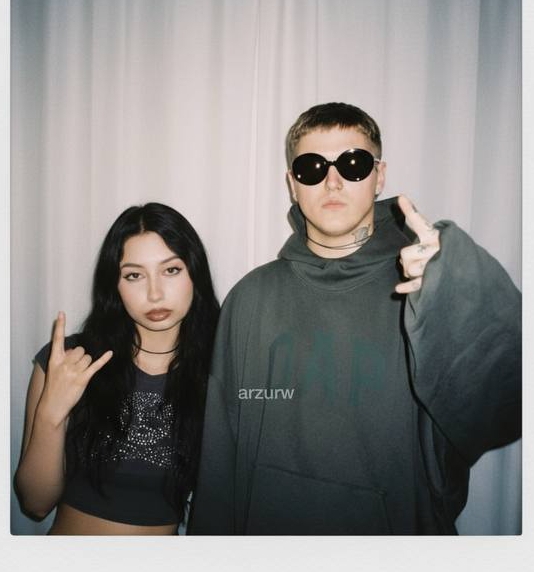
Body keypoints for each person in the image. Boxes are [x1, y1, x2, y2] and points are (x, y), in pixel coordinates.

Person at [188, 102, 521, 535]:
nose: (333, 181)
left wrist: (455, 286)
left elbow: (508, 407)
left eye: (353, 164)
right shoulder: (250, 298)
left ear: (379, 176)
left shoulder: (426, 289)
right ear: (292, 185)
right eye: (311, 167)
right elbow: (219, 456)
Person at [15, 202, 219, 535]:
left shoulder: (220, 371)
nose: (154, 293)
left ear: (195, 273)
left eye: (171, 270)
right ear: (115, 285)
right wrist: (51, 413)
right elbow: (35, 504)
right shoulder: (70, 362)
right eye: (134, 275)